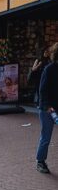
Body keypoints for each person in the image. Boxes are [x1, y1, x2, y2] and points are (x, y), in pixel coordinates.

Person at [35, 42, 58, 174]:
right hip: (48, 109)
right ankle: (40, 161)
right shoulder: (49, 69)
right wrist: (47, 106)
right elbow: (42, 90)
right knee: (46, 136)